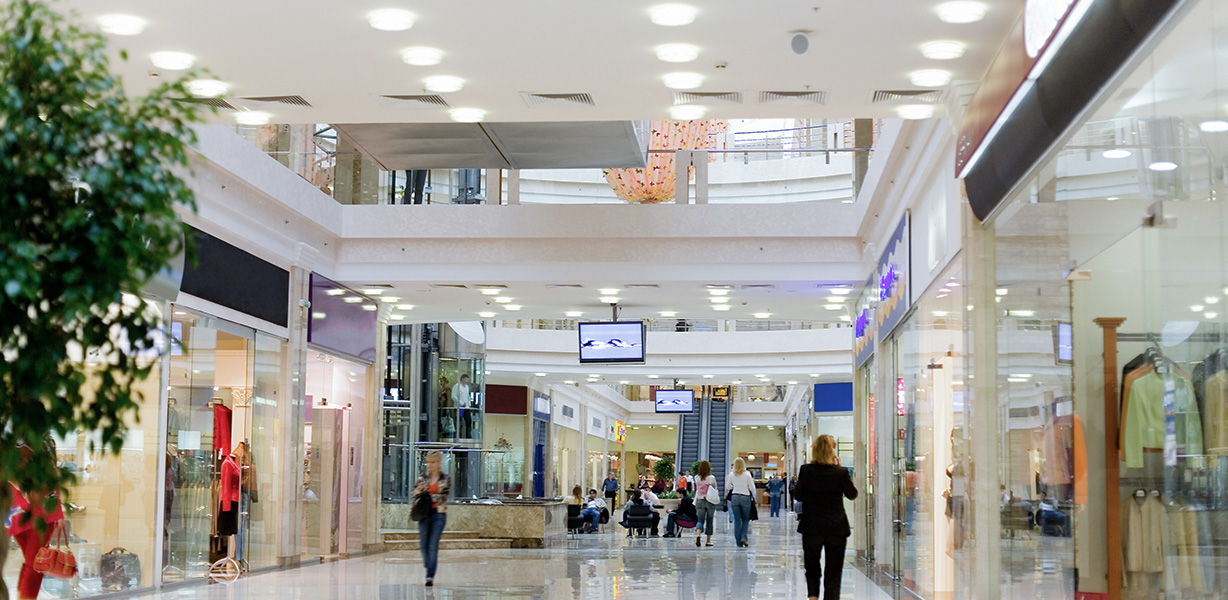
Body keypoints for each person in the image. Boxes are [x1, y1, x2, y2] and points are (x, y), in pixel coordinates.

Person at [795, 435, 858, 600]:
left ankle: (813, 597)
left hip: (812, 526)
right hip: (836, 528)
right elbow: (852, 494)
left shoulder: (806, 470)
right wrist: (842, 471)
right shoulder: (840, 472)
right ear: (831, 451)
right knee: (834, 571)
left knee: (812, 566)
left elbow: (798, 495)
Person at [7, 441, 66, 600]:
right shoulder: (12, 451)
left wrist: (59, 514)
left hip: (41, 517)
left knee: (33, 563)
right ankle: (23, 595)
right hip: (20, 516)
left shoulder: (43, 454)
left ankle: (25, 596)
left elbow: (54, 486)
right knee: (31, 563)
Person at [413, 450, 450, 586]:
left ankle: (430, 575)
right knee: (423, 546)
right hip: (424, 514)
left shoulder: (445, 478)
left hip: (438, 515)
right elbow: (413, 493)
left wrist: (428, 494)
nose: (430, 465)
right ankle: (429, 566)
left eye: (433, 462)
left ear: (439, 463)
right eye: (428, 462)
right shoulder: (423, 477)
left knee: (432, 545)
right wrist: (419, 489)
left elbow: (444, 497)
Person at [726, 457, 756, 548]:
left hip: (735, 497)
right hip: (745, 497)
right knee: (745, 519)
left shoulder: (731, 474)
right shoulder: (747, 474)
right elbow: (752, 488)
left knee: (737, 519)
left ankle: (738, 542)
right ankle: (743, 536)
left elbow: (727, 487)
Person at [693, 460, 718, 547]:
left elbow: (695, 489)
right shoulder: (711, 478)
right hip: (710, 501)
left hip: (699, 500)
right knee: (710, 520)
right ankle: (708, 541)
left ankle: (698, 535)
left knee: (700, 520)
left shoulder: (696, 477)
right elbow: (715, 488)